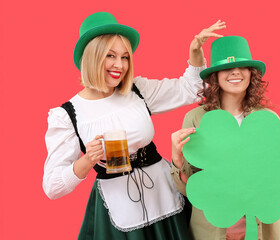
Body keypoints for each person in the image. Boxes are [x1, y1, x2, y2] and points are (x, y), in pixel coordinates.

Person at [42, 12, 226, 239]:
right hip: (119, 209)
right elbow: (53, 187)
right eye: (110, 56)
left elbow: (191, 89)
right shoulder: (67, 115)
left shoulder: (137, 90)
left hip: (163, 193)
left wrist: (195, 52)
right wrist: (86, 160)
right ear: (92, 57)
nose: (119, 65)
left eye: (125, 57)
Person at [170, 36, 280, 240]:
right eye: (226, 68)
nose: (235, 73)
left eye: (243, 67)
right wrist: (177, 158)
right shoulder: (196, 119)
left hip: (260, 224)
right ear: (215, 76)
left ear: (251, 74)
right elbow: (192, 189)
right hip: (213, 226)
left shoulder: (267, 119)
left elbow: (274, 179)